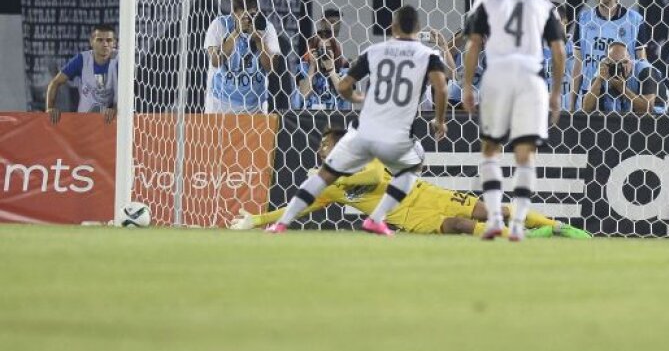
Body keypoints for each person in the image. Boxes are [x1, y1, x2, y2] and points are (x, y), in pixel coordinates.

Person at [267, 6, 449, 235]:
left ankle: (281, 223)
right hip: (397, 137)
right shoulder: (428, 55)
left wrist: (356, 96)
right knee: (413, 165)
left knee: (324, 175)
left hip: (364, 132)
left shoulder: (374, 51)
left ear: (392, 27)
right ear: (418, 28)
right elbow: (441, 88)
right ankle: (376, 218)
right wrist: (440, 121)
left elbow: (343, 86)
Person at [234, 126, 590, 238]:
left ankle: (559, 226)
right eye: (323, 149)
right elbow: (300, 206)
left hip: (425, 193)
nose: (325, 152)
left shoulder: (365, 159)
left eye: (332, 146)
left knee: (488, 207)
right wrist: (258, 220)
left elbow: (374, 177)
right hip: (409, 218)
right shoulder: (324, 183)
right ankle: (528, 236)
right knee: (460, 225)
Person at [461, 0, 566, 241]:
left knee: (490, 148)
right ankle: (518, 224)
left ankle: (495, 219)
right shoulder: (544, 6)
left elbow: (473, 45)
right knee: (525, 153)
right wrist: (555, 92)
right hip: (532, 79)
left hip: (498, 75)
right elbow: (559, 50)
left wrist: (468, 85)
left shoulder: (486, 1)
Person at [575, 0, 649, 102]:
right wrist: (571, 105)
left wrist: (641, 99)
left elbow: (642, 63)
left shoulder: (634, 20)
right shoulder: (583, 19)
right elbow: (578, 64)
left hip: (623, 94)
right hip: (590, 94)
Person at [203, 0, 281, 114]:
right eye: (243, 16)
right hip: (220, 105)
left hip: (255, 107)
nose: (248, 20)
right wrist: (237, 32)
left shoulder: (266, 28)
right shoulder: (219, 25)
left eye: (251, 16)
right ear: (234, 14)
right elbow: (216, 61)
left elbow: (272, 68)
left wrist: (258, 40)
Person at [45, 23, 118, 123]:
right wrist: (50, 108)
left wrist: (115, 108)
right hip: (84, 121)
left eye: (109, 40)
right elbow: (55, 83)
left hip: (110, 121)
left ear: (114, 43)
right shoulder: (82, 60)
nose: (105, 44)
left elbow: (128, 91)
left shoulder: (120, 60)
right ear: (91, 42)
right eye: (100, 40)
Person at [579, 40, 664, 114]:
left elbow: (647, 110)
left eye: (625, 62)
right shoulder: (604, 70)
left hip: (657, 122)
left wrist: (623, 89)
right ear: (607, 62)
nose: (622, 67)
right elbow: (586, 109)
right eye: (616, 63)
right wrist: (599, 80)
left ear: (631, 59)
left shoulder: (645, 70)